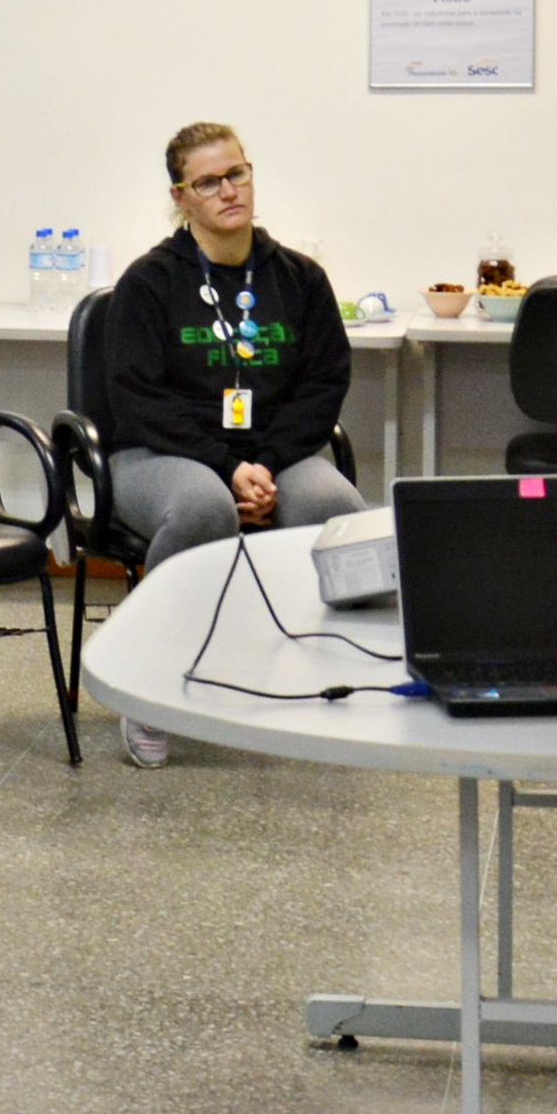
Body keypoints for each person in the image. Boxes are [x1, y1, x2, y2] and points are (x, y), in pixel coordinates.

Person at [93, 121, 366, 765]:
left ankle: (333, 682)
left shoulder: (299, 278)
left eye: (236, 174)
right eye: (208, 182)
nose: (228, 191)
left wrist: (262, 463)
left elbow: (323, 386)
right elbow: (137, 398)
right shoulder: (149, 282)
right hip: (160, 455)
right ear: (181, 197)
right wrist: (225, 466)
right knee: (202, 508)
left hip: (275, 456)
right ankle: (146, 687)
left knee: (337, 511)